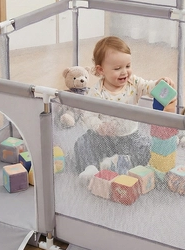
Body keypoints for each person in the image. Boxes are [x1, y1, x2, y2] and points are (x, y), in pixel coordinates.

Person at [74, 36, 175, 171]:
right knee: (82, 144)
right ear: (101, 70)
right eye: (117, 68)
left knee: (147, 146)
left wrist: (159, 84)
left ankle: (121, 162)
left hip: (130, 136)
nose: (124, 72)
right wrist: (99, 126)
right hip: (104, 138)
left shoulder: (134, 83)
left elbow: (148, 87)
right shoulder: (97, 92)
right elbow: (88, 115)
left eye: (128, 66)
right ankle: (91, 169)